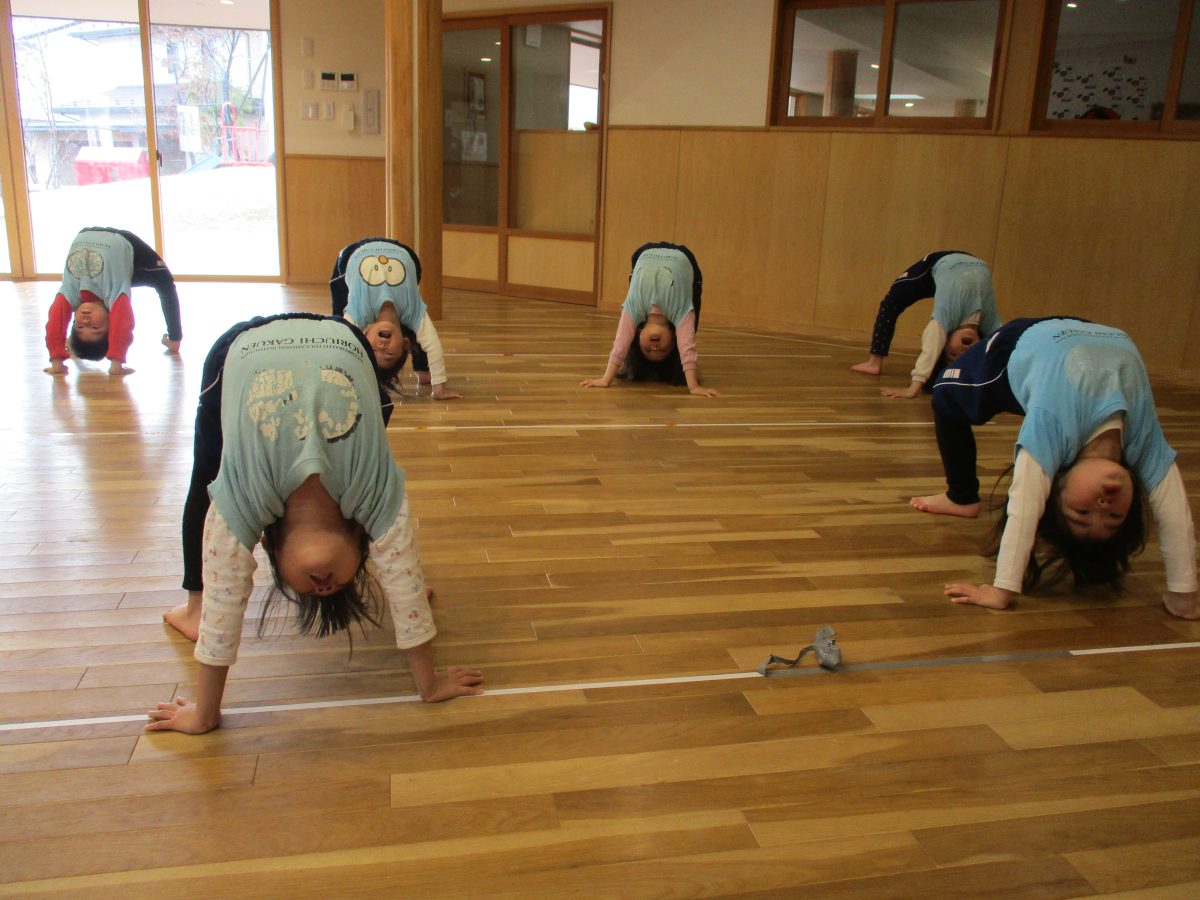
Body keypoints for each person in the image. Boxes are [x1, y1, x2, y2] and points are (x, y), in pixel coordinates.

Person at [152, 313, 481, 734]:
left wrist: (204, 715)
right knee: (401, 567)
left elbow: (222, 609)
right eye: (340, 585)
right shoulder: (374, 497)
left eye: (309, 591)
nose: (324, 586)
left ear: (268, 546)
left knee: (206, 478)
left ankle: (189, 610)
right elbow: (402, 574)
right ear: (362, 536)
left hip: (240, 344)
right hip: (341, 337)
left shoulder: (244, 503)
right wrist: (428, 679)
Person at [910, 316, 1198, 619]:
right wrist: (1184, 595)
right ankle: (964, 497)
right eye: (1115, 517)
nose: (1104, 506)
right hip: (1088, 327)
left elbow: (1024, 504)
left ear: (1053, 488)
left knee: (943, 390)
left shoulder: (1052, 431)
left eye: (1082, 513)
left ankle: (961, 496)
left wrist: (1002, 588)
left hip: (1017, 343)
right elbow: (1175, 515)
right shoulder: (1143, 441)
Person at [850, 251, 1001, 399]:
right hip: (968, 260)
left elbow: (931, 349)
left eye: (952, 354)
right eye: (966, 356)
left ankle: (873, 363)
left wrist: (913, 389)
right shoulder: (990, 324)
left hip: (935, 266)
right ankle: (874, 363)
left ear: (944, 340)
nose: (963, 351)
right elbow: (1004, 353)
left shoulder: (943, 319)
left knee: (891, 303)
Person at [329, 237, 462, 399]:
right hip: (401, 251)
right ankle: (423, 369)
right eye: (389, 354)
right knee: (416, 331)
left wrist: (340, 385)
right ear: (405, 344)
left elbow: (341, 348)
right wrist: (438, 388)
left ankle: (418, 368)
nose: (381, 346)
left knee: (339, 323)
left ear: (365, 334)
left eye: (373, 350)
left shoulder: (358, 314)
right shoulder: (413, 314)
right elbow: (433, 346)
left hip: (354, 251)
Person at [580, 242, 718, 398]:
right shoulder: (680, 311)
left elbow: (620, 344)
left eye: (647, 350)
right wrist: (694, 386)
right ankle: (685, 373)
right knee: (690, 325)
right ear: (674, 338)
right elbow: (687, 347)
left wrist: (606, 379)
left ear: (638, 335)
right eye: (663, 350)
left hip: (646, 252)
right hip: (684, 257)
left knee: (635, 265)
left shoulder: (634, 308)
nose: (655, 347)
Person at [44, 227, 183, 377]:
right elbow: (123, 322)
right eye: (95, 327)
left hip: (87, 232)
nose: (85, 320)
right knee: (164, 281)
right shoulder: (114, 293)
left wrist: (56, 361)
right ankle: (174, 339)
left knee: (73, 303)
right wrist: (117, 363)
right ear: (111, 322)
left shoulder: (71, 292)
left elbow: (55, 321)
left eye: (80, 326)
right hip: (126, 245)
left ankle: (77, 338)